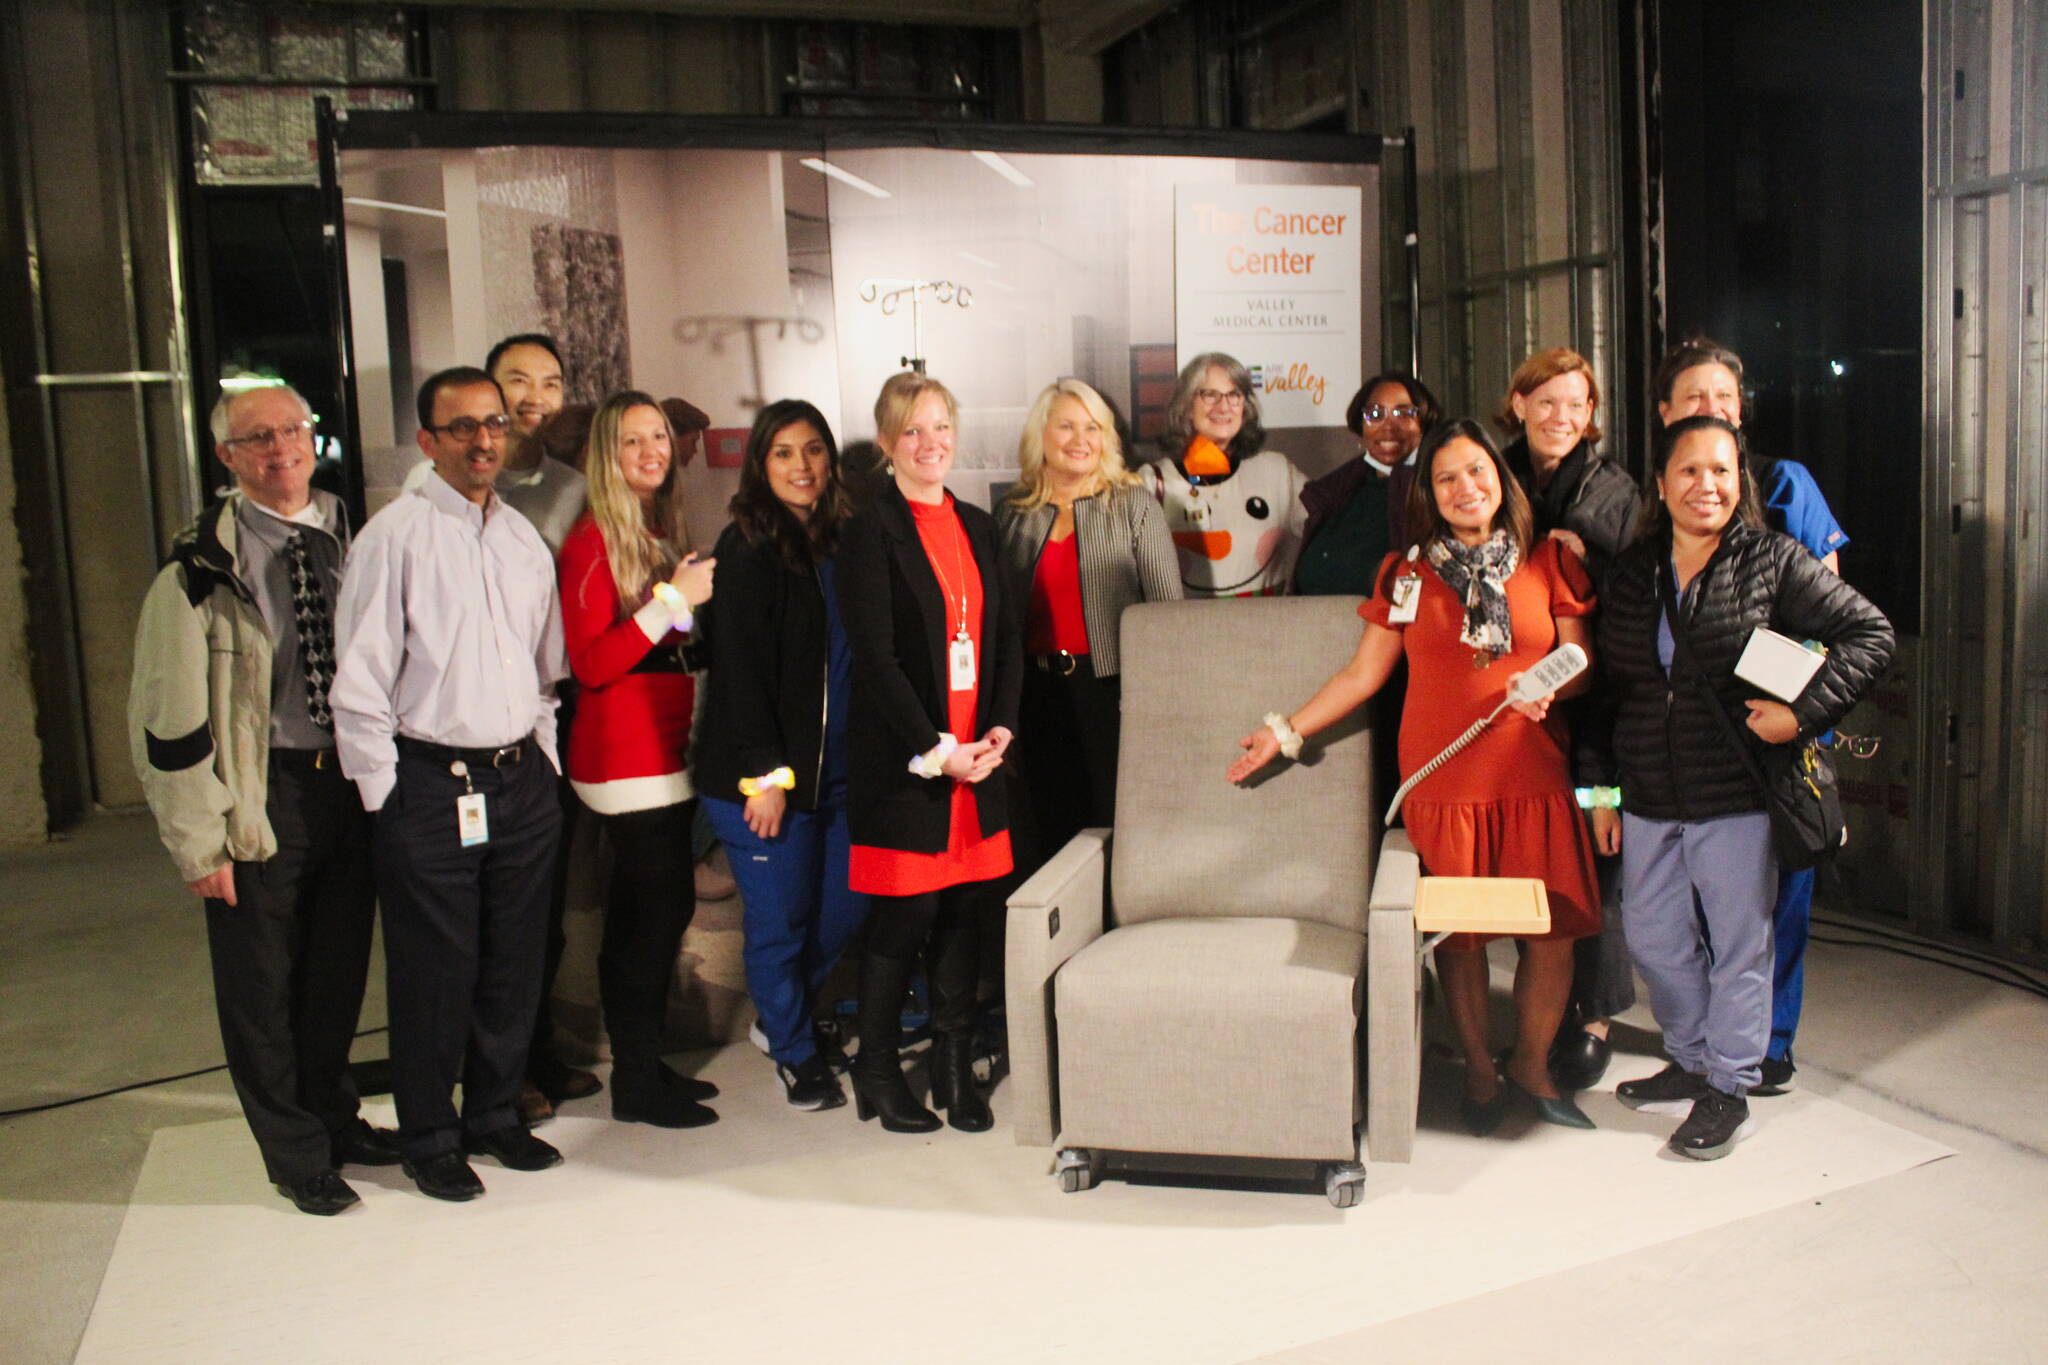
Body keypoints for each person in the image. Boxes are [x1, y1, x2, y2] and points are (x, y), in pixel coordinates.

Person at [1229, 419, 1603, 1135]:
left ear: (1502, 476)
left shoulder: (1550, 558)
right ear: (1430, 494)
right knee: (1458, 939)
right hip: (1444, 783)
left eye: (1478, 472)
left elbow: (1581, 660)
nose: (1467, 488)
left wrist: (1555, 684)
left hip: (1533, 775)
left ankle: (1530, 1060)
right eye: (1447, 478)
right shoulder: (1407, 573)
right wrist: (1286, 730)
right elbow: (1363, 673)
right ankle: (1481, 1072)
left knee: (1551, 932)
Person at [1587, 414, 1892, 1160]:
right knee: (1654, 938)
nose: (1707, 485)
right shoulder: (1632, 573)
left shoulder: (1771, 560)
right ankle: (1690, 1055)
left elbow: (1871, 634)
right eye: (1689, 470)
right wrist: (1598, 792)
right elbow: (1608, 695)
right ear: (1661, 484)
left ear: (1741, 482)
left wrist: (1803, 712)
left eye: (1722, 471)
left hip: (1737, 794)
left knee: (1739, 947)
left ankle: (1728, 1083)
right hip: (1651, 794)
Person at [129, 383, 395, 1216]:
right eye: (257, 438)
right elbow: (169, 722)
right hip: (262, 791)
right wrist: (198, 843)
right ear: (228, 457)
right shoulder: (196, 570)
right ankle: (294, 1152)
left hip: (349, 786)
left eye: (292, 430)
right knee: (261, 986)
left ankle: (334, 1115)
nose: (280, 448)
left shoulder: (358, 537)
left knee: (336, 973)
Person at [331, 366, 568, 1201]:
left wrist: (544, 765)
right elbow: (357, 686)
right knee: (437, 968)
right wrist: (386, 799)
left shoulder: (519, 539)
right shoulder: (391, 538)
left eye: (493, 425)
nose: (481, 441)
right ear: (428, 440)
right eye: (461, 427)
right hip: (430, 784)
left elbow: (545, 672)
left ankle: (495, 1113)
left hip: (518, 780)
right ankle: (430, 1131)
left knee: (513, 960)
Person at [404, 334, 596, 1124]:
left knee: (532, 914)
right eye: (516, 381)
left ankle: (527, 1057)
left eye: (549, 383)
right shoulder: (429, 498)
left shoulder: (569, 487)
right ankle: (476, 1087)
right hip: (450, 746)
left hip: (539, 718)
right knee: (465, 929)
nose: (533, 398)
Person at [1655, 336, 1851, 1096]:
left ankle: (1768, 1043)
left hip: (1774, 725)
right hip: (1690, 739)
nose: (1710, 409)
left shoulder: (1782, 483)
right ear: (1665, 412)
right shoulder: (1667, 490)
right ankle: (1704, 1042)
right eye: (1693, 398)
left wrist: (1790, 709)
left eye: (1723, 399)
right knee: (1696, 906)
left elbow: (1827, 616)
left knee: (1778, 899)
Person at [838, 372, 1021, 1134]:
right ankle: (877, 1070)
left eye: (940, 426)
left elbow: (1006, 638)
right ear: (887, 443)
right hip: (910, 764)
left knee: (963, 914)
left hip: (978, 759)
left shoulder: (979, 524)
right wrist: (936, 748)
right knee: (903, 917)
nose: (930, 442)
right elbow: (875, 660)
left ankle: (952, 1064)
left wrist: (1001, 728)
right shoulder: (868, 530)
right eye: (912, 430)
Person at [557, 392, 722, 1129]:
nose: (653, 449)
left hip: (665, 748)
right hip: (624, 758)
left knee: (660, 912)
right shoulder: (592, 539)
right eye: (634, 439)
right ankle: (634, 1080)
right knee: (647, 919)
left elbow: (669, 644)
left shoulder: (654, 530)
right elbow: (591, 663)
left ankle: (645, 1061)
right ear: (606, 452)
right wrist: (673, 601)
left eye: (659, 435)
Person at [696, 400, 866, 1112]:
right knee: (779, 923)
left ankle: (779, 1018)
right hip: (761, 782)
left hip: (839, 775)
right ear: (761, 465)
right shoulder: (746, 546)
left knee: (846, 909)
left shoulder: (843, 539)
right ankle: (796, 1052)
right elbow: (738, 670)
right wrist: (764, 778)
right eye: (784, 453)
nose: (802, 466)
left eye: (814, 450)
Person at [1494, 347, 1641, 1091]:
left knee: (1598, 855)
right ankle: (1541, 1012)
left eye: (1577, 405)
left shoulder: (1614, 491)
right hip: (1519, 703)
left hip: (1598, 706)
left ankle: (1594, 1014)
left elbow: (1636, 592)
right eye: (1546, 401)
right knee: (1538, 865)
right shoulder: (1493, 470)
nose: (1562, 417)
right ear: (1517, 403)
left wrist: (1586, 561)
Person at [996, 378, 1181, 866]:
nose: (1081, 439)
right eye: (1067, 426)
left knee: (1111, 834)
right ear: (1042, 435)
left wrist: (1157, 707)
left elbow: (1167, 618)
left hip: (1111, 696)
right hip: (1033, 701)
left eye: (1093, 427)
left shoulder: (1133, 504)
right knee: (1045, 837)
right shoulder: (1013, 515)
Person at [1141, 352, 1307, 597]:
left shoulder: (1277, 472)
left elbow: (1331, 530)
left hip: (1266, 628)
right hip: (1183, 629)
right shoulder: (1152, 482)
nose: (1224, 406)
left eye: (1234, 395)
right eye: (1210, 394)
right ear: (1186, 406)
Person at [1294, 371, 1441, 596]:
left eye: (1403, 414)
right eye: (1375, 414)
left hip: (1388, 628)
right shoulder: (1338, 490)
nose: (1389, 426)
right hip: (1317, 624)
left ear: (1424, 424)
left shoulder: (1434, 491)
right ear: (1360, 425)